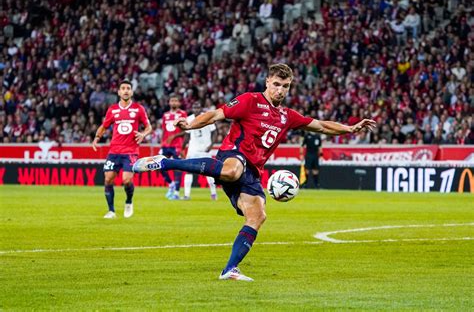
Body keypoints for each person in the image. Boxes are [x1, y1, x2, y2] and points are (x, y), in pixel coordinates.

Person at [133, 64, 376, 281]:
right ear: (268, 83)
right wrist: (190, 125)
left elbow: (321, 126)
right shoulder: (250, 100)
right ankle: (167, 162)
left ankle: (229, 269)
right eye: (277, 85)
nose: (280, 90)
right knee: (232, 170)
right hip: (233, 155)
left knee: (258, 216)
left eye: (286, 86)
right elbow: (217, 114)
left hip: (253, 172)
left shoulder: (287, 116)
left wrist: (350, 128)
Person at [92, 79, 151, 219]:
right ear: (119, 92)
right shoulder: (112, 110)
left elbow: (149, 127)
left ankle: (129, 201)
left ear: (131, 91)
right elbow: (104, 126)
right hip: (114, 151)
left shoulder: (138, 109)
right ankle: (111, 211)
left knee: (127, 180)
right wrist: (96, 137)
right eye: (123, 88)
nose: (125, 90)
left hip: (130, 152)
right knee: (108, 179)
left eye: (128, 88)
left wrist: (143, 134)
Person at [182, 101, 218, 200]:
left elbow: (215, 132)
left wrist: (211, 145)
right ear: (192, 108)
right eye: (194, 107)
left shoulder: (207, 116)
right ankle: (186, 195)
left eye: (198, 107)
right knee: (188, 170)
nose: (196, 109)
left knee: (209, 172)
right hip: (192, 148)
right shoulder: (189, 119)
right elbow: (187, 135)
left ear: (201, 108)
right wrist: (182, 147)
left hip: (205, 149)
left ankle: (214, 194)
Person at [160, 95, 187, 200]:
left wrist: (174, 136)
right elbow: (163, 130)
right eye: (172, 100)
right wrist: (161, 143)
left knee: (178, 168)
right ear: (169, 102)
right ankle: (171, 184)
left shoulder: (182, 114)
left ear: (179, 103)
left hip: (177, 145)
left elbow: (185, 130)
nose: (174, 102)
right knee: (159, 164)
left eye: (176, 100)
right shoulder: (165, 115)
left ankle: (176, 192)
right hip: (166, 145)